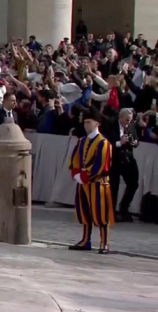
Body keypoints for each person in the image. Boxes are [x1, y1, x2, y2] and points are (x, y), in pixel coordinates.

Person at [68, 106, 114, 254]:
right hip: (83, 183)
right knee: (85, 212)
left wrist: (85, 176)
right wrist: (76, 173)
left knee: (101, 213)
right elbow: (75, 159)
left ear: (97, 123)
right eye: (85, 122)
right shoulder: (82, 141)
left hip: (97, 183)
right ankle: (85, 240)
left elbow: (101, 165)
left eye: (89, 122)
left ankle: (104, 242)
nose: (85, 125)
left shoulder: (103, 142)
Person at [104, 108, 139, 222]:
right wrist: (119, 143)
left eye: (130, 120)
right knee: (114, 186)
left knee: (133, 183)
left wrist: (135, 142)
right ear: (120, 118)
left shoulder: (131, 126)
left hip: (127, 158)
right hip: (115, 158)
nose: (128, 123)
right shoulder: (111, 126)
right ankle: (111, 212)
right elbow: (106, 143)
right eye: (127, 120)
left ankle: (124, 208)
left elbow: (136, 138)